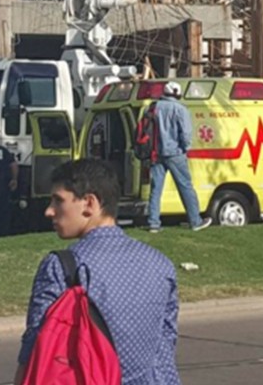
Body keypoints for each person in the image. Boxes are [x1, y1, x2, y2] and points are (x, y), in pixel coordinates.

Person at [14, 159, 180, 385]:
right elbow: (164, 353)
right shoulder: (161, 265)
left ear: (89, 203)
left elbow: (35, 349)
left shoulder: (62, 267)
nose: (49, 211)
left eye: (58, 200)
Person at [147, 82, 211, 233]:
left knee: (156, 189)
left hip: (156, 153)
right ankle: (195, 221)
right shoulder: (180, 109)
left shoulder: (153, 107)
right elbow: (187, 133)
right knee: (185, 186)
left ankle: (153, 223)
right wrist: (186, 148)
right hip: (175, 153)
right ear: (177, 93)